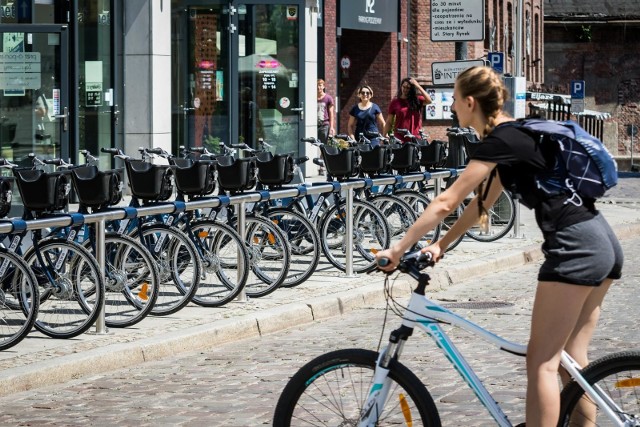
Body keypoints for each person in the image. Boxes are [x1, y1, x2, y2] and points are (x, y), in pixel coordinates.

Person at [376, 66, 623, 426]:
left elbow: (447, 201)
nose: (452, 110)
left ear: (470, 102)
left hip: (576, 248)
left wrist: (397, 250)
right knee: (572, 361)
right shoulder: (515, 137)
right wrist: (440, 245)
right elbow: (479, 204)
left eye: (455, 102)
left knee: (541, 362)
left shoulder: (500, 142)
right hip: (602, 241)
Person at [382, 77, 432, 142]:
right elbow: (389, 121)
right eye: (404, 87)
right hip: (399, 138)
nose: (405, 89)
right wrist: (384, 136)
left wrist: (417, 85)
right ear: (401, 87)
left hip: (415, 137)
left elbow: (429, 101)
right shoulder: (395, 102)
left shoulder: (417, 100)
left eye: (408, 88)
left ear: (411, 89)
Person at [316, 79, 335, 145]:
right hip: (313, 125)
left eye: (320, 85)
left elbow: (331, 114)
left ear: (323, 86)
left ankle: (322, 155)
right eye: (316, 85)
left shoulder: (328, 98)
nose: (318, 87)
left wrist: (331, 127)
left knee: (323, 145)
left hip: (324, 125)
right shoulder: (311, 97)